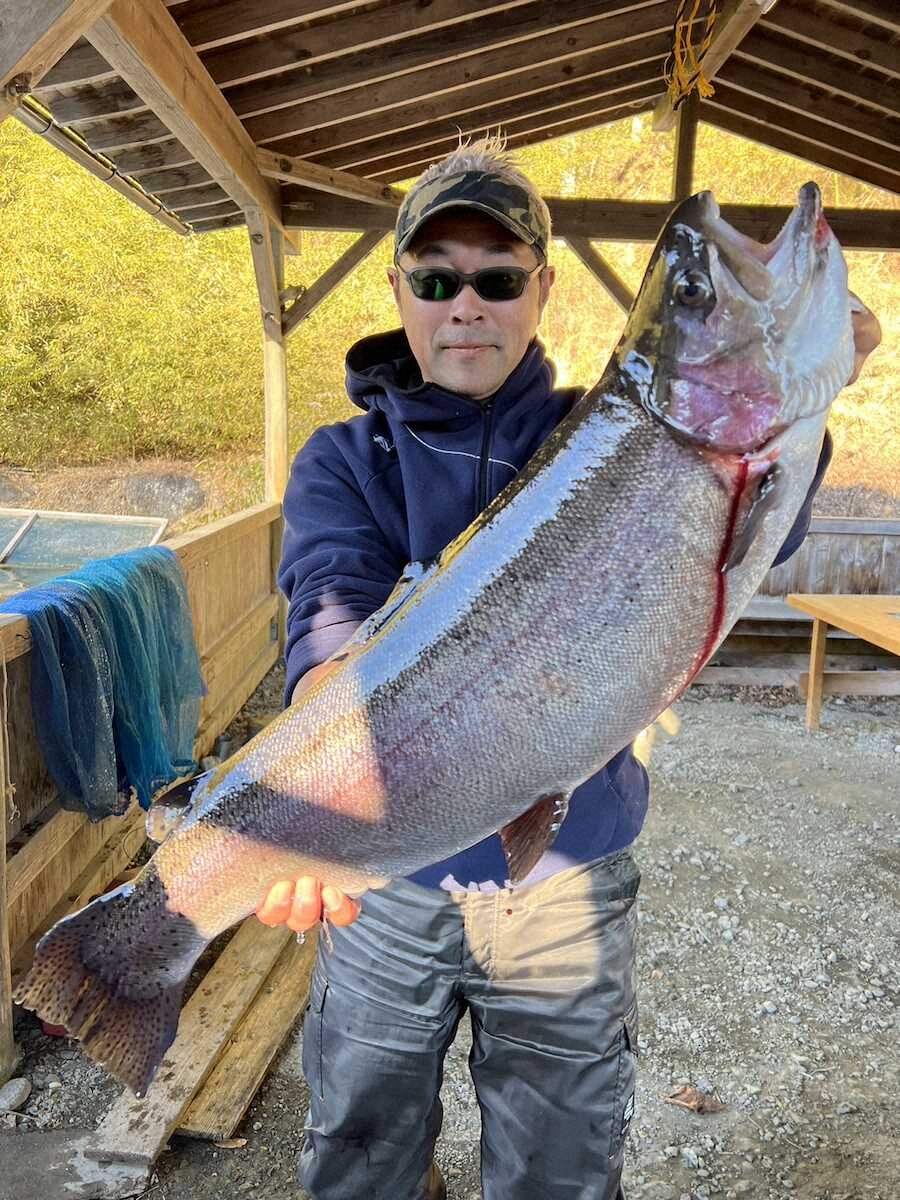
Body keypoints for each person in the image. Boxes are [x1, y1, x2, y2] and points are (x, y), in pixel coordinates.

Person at [257, 136, 881, 1200]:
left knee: (562, 1161)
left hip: (569, 877)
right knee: (361, 1143)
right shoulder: (344, 461)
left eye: (498, 279)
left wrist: (802, 417)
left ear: (541, 289)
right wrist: (304, 791)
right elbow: (328, 624)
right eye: (437, 278)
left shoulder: (612, 433)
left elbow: (752, 534)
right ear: (401, 289)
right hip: (390, 883)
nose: (467, 305)